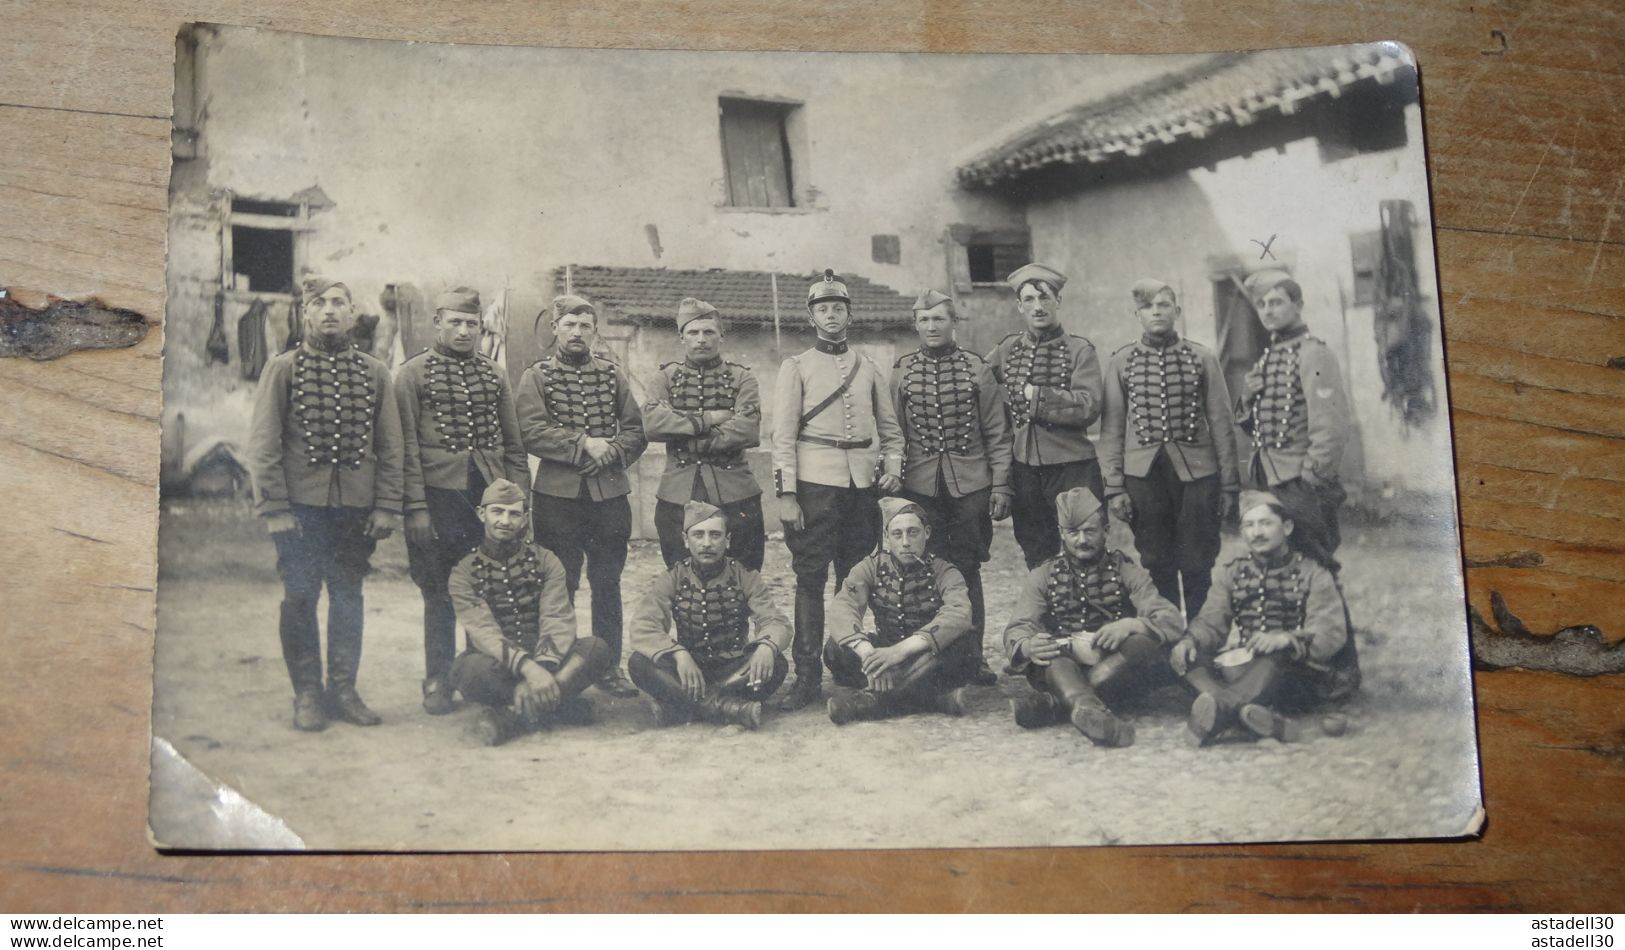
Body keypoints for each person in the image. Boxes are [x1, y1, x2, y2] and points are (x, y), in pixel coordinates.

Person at [245, 275, 403, 732]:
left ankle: (343, 689)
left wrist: (387, 505)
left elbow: (391, 447)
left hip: (355, 510)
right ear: (305, 314)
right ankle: (308, 693)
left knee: (348, 596)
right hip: (300, 511)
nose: (330, 311)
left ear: (353, 314)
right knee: (299, 597)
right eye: (320, 304)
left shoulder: (375, 373)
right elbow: (264, 444)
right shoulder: (283, 368)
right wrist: (274, 508)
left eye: (339, 303)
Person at [771, 269, 905, 711]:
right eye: (823, 309)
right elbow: (783, 435)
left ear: (849, 313)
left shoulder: (867, 367)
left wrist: (892, 467)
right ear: (812, 317)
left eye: (838, 308)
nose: (831, 315)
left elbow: (891, 430)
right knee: (810, 580)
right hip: (813, 485)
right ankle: (806, 676)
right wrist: (787, 494)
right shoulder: (796, 367)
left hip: (860, 487)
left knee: (852, 581)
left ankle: (844, 663)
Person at [394, 286, 530, 715]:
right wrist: (415, 507)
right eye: (455, 321)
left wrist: (519, 502)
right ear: (437, 323)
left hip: (486, 498)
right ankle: (436, 679)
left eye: (471, 323)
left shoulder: (494, 374)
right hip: (437, 497)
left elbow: (514, 445)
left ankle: (478, 675)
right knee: (438, 592)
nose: (464, 330)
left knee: (485, 587)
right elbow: (405, 449)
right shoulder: (412, 374)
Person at [515, 294, 647, 698]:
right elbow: (531, 431)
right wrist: (582, 444)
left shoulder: (612, 375)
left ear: (594, 332)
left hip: (609, 496)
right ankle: (562, 667)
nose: (577, 333)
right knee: (561, 584)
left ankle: (607, 667)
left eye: (585, 326)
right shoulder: (535, 377)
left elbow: (636, 430)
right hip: (558, 498)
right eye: (569, 325)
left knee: (607, 583)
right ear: (554, 328)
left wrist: (610, 453)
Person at [1170, 490, 1360, 746]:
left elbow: (1330, 634)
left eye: (1265, 523)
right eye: (1249, 525)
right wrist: (1190, 642)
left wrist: (1284, 640)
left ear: (1288, 527)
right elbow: (1211, 623)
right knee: (1189, 663)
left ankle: (1221, 712)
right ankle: (1258, 720)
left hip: (1296, 674)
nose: (1256, 532)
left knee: (1274, 660)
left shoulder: (1314, 574)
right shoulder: (1233, 573)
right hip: (1246, 671)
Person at [891, 288, 1013, 686]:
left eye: (939, 319)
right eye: (923, 320)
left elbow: (997, 432)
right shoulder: (902, 371)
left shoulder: (978, 369)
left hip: (970, 484)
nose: (931, 326)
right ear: (915, 324)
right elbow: (895, 432)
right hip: (920, 485)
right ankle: (930, 653)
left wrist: (1000, 485)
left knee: (967, 569)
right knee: (922, 567)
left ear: (953, 322)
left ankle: (973, 656)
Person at [1099, 278, 1240, 618]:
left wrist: (1230, 483)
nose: (1156, 312)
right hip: (1144, 478)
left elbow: (1221, 423)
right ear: (1138, 315)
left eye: (1163, 305)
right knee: (1156, 560)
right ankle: (1169, 638)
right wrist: (1114, 486)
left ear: (1176, 311)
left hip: (1198, 474)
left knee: (1197, 560)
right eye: (1148, 306)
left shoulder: (1202, 358)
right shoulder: (1122, 362)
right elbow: (1112, 428)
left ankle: (1201, 646)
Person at [1002, 487, 1184, 747]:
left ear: (1106, 531)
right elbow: (1018, 626)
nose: (1081, 540)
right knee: (1051, 655)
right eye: (1073, 532)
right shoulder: (1043, 575)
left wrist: (1132, 624)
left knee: (1142, 645)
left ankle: (1063, 705)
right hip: (1063, 665)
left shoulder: (1125, 570)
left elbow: (1169, 617)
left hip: (1116, 663)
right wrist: (1028, 645)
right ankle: (1088, 710)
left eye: (1090, 531)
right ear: (1062, 534)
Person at [447, 479, 612, 747]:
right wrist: (527, 669)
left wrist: (542, 670)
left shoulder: (546, 560)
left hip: (550, 663)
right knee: (467, 671)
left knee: (597, 648)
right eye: (497, 511)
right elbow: (483, 631)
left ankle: (510, 717)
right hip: (497, 667)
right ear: (481, 514)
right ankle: (557, 706)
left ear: (525, 519)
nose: (505, 520)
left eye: (514, 514)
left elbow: (557, 618)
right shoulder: (463, 573)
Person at [626, 501, 792, 730]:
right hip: (687, 669)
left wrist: (766, 646)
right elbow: (644, 624)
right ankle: (726, 707)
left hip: (733, 670)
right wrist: (678, 653)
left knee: (777, 662)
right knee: (639, 662)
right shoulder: (672, 577)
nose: (706, 543)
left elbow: (775, 621)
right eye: (698, 535)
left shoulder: (746, 576)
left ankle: (681, 708)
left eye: (715, 535)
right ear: (686, 540)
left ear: (727, 540)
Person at [986, 263, 1106, 570]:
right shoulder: (1008, 348)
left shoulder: (1080, 350)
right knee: (1036, 552)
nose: (1037, 307)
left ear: (1058, 302)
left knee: (1084, 547)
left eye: (1044, 298)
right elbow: (976, 380)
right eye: (1029, 299)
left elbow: (1088, 406)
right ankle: (1047, 616)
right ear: (1019, 305)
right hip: (1025, 468)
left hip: (1072, 467)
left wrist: (1037, 396)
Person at [822, 498, 973, 724]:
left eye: (913, 532)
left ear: (927, 533)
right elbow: (844, 606)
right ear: (886, 537)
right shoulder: (870, 567)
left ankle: (871, 703)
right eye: (897, 534)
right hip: (885, 649)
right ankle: (931, 699)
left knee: (964, 648)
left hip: (926, 654)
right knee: (835, 650)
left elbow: (959, 613)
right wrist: (869, 655)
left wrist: (900, 651)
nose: (905, 542)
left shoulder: (945, 571)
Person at [641, 297, 766, 571]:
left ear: (721, 335)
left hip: (736, 493)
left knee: (744, 574)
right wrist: (707, 420)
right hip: (677, 493)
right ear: (681, 336)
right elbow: (652, 424)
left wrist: (687, 434)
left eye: (709, 332)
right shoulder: (664, 378)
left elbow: (748, 429)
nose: (701, 339)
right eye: (693, 332)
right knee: (680, 576)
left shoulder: (741, 378)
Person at [1238, 270, 1352, 566]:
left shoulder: (1313, 354)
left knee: (1314, 565)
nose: (1268, 311)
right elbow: (1262, 427)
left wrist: (1312, 479)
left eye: (1275, 302)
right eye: (1262, 305)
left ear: (1298, 305)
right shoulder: (1269, 357)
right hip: (1269, 477)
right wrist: (1249, 398)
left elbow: (1331, 425)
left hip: (1299, 483)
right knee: (1277, 566)